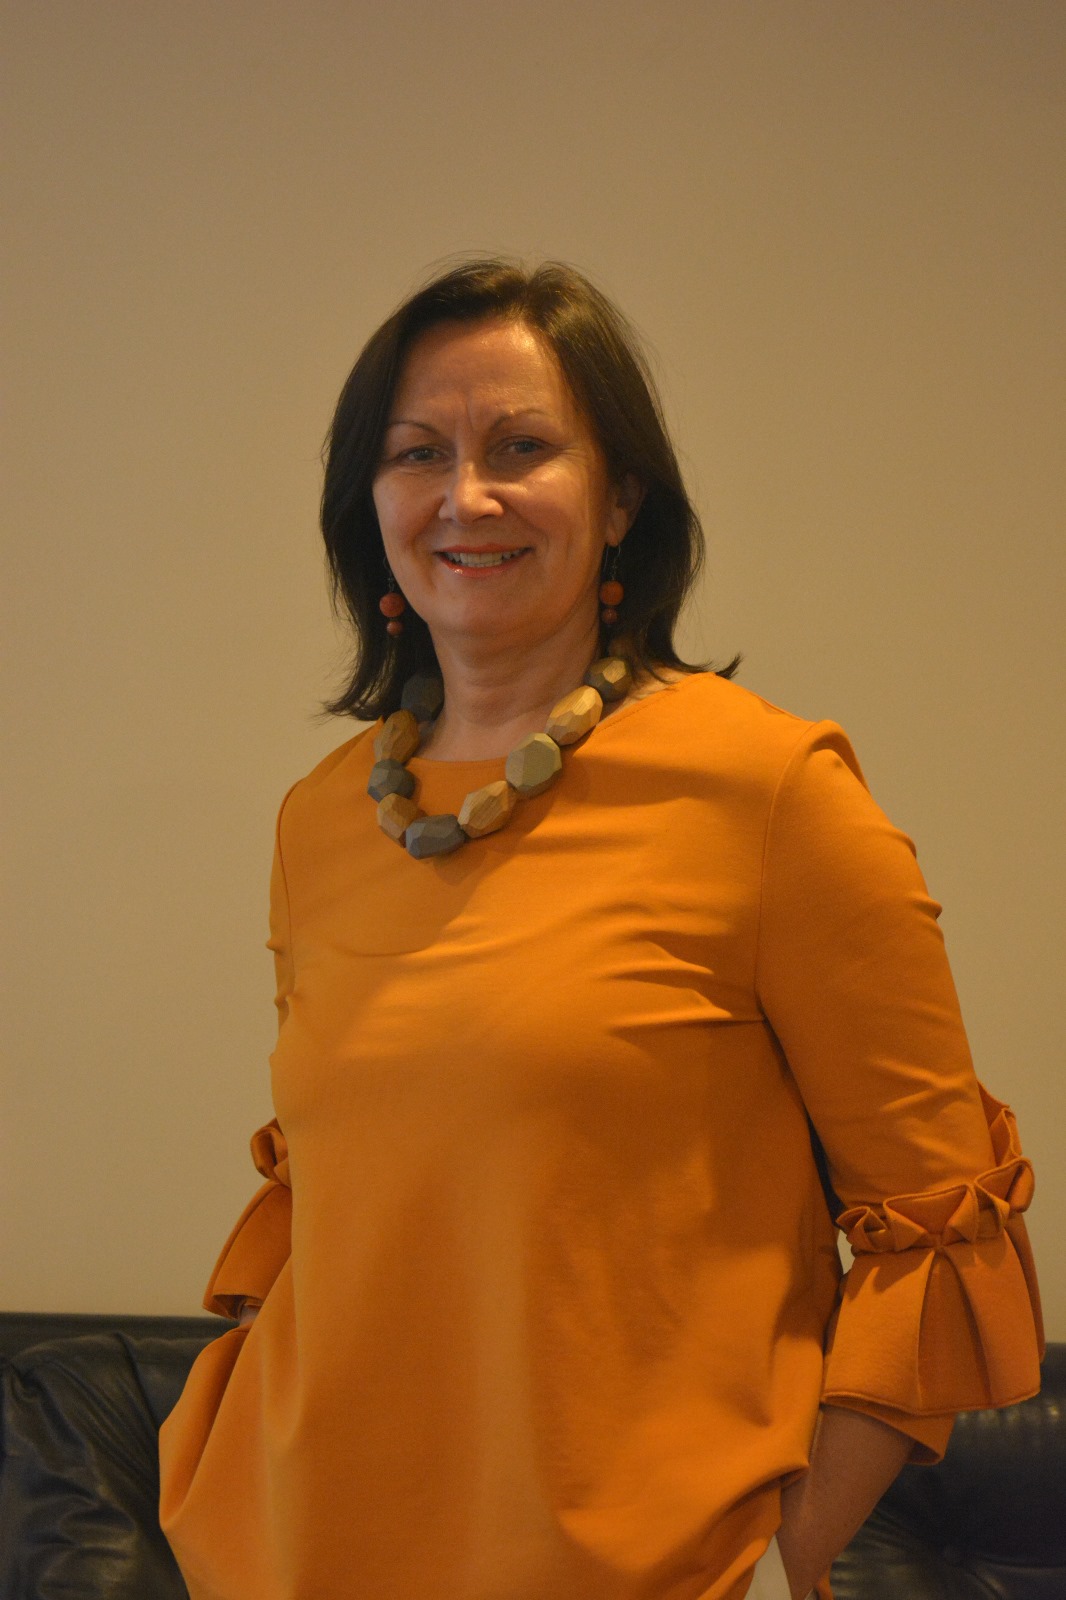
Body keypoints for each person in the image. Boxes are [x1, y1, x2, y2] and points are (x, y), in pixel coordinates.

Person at [158, 260, 1043, 1600]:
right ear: (369, 503)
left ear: (621, 496)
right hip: (292, 1557)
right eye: (417, 452)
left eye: (522, 447)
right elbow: (344, 1199)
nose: (466, 495)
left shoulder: (770, 791)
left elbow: (937, 1227)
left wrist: (777, 1555)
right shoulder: (325, 818)